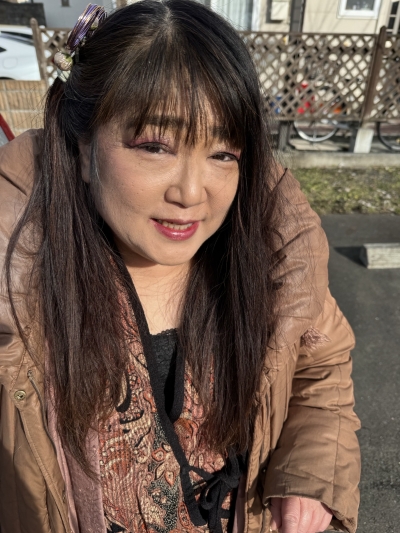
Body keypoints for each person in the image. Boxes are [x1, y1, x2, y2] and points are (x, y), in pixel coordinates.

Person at [0, 2, 361, 533]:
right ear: (83, 145)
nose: (192, 193)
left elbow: (320, 364)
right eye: (155, 146)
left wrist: (310, 471)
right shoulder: (18, 288)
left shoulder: (271, 263)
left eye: (223, 154)